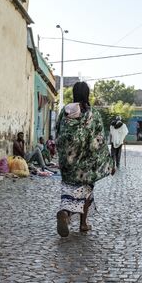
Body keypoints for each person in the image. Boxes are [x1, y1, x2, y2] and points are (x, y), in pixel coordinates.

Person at [55, 82, 114, 237]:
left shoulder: (65, 111)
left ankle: (65, 212)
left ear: (74, 94)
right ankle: (83, 224)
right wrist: (109, 162)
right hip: (87, 165)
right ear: (87, 94)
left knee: (68, 189)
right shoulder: (93, 114)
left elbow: (57, 132)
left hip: (68, 163)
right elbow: (100, 140)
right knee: (87, 192)